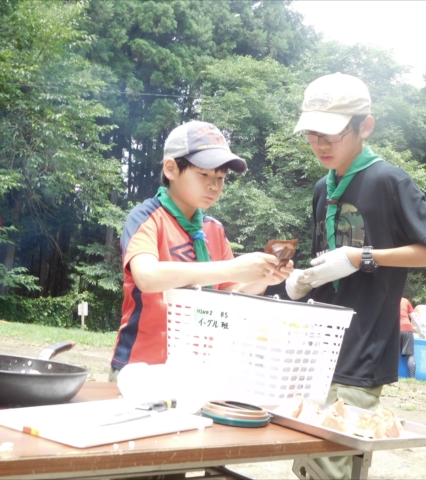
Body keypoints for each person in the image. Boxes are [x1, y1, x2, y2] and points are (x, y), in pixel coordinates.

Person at [285, 73, 426, 479]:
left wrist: (364, 257)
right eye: (312, 133)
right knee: (307, 465)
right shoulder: (321, 187)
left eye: (331, 133)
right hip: (317, 352)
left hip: (363, 349)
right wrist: (302, 279)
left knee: (334, 467)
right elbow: (330, 263)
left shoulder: (388, 180)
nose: (320, 143)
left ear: (365, 126)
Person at [109, 121, 293, 381]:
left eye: (220, 178)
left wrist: (261, 279)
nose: (214, 186)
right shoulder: (147, 218)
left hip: (198, 370)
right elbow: (147, 277)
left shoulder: (213, 230)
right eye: (204, 175)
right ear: (171, 169)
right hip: (142, 369)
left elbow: (230, 292)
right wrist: (233, 268)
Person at [400, 297, 423, 377]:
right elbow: (414, 317)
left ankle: (389, 377)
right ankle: (412, 378)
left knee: (392, 354)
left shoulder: (389, 300)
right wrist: (421, 331)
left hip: (394, 330)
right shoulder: (405, 301)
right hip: (407, 328)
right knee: (410, 355)